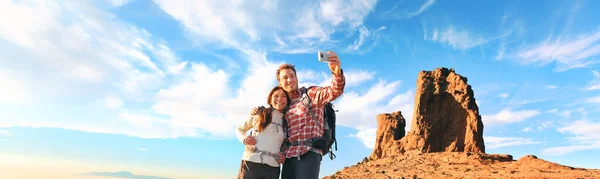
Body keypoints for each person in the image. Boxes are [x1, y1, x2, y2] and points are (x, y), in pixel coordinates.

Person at [252, 51, 346, 179]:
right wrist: (259, 111)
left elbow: (334, 91)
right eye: (285, 78)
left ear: (296, 78)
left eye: (292, 76)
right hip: (289, 157)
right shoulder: (283, 107)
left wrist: (336, 72)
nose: (290, 80)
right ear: (280, 83)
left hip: (309, 153)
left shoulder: (310, 94)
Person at [236, 86, 290, 179]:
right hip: (251, 162)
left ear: (288, 100)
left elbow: (286, 145)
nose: (279, 99)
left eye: (283, 96)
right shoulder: (260, 113)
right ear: (270, 100)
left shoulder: (288, 120)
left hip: (273, 167)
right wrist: (244, 139)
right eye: (276, 96)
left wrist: (283, 156)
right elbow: (240, 129)